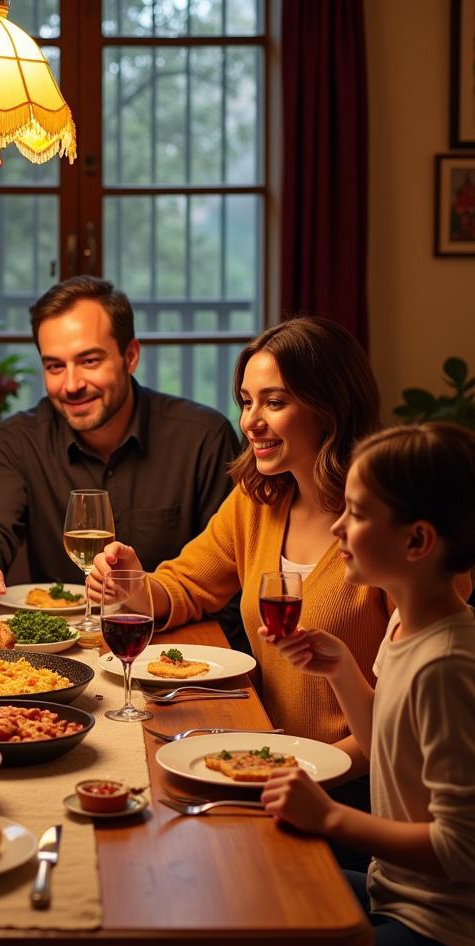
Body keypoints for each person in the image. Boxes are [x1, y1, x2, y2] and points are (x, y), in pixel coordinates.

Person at [261, 422, 475, 946]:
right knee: (240, 899)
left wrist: (333, 817)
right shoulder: (407, 625)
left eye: (357, 514)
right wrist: (341, 671)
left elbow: (465, 851)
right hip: (395, 893)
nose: (336, 526)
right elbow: (384, 746)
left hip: (448, 941)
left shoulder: (449, 665)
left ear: (417, 541)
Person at [91, 317, 389, 772]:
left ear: (330, 406)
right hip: (269, 753)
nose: (250, 421)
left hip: (353, 782)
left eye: (274, 402)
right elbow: (187, 585)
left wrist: (304, 771)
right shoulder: (258, 500)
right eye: (247, 402)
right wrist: (130, 581)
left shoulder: (393, 525)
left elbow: (408, 720)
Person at [0, 275, 241, 600]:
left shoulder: (202, 438)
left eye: (89, 361)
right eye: (55, 366)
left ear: (130, 357)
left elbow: (230, 577)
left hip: (174, 638)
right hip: (60, 644)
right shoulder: (20, 438)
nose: (71, 385)